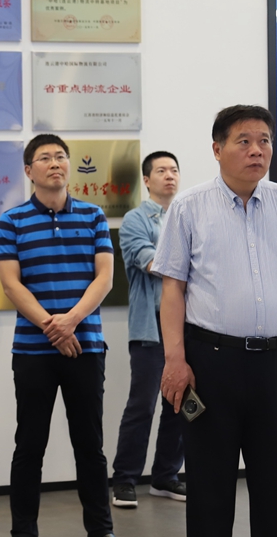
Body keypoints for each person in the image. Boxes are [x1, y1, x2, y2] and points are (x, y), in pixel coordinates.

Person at [155, 105, 277, 537]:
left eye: (265, 141)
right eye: (244, 141)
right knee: (209, 487)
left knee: (275, 486)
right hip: (210, 363)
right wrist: (175, 359)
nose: (257, 150)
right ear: (217, 149)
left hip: (275, 365)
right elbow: (172, 290)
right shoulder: (189, 207)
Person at [0, 134, 116, 537]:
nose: (55, 163)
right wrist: (54, 326)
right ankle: (23, 530)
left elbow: (104, 278)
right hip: (33, 352)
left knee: (90, 446)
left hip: (86, 346)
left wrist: (71, 321)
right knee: (29, 447)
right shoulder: (12, 220)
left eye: (61, 157)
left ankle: (101, 529)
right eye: (45, 158)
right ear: (29, 171)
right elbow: (11, 284)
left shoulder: (94, 216)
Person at [111, 151, 185, 509]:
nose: (169, 176)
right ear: (147, 180)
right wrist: (191, 265)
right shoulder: (134, 220)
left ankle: (166, 476)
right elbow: (152, 263)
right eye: (161, 170)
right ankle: (124, 479)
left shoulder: (187, 214)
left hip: (188, 325)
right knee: (142, 404)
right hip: (150, 327)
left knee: (182, 403)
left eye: (174, 170)